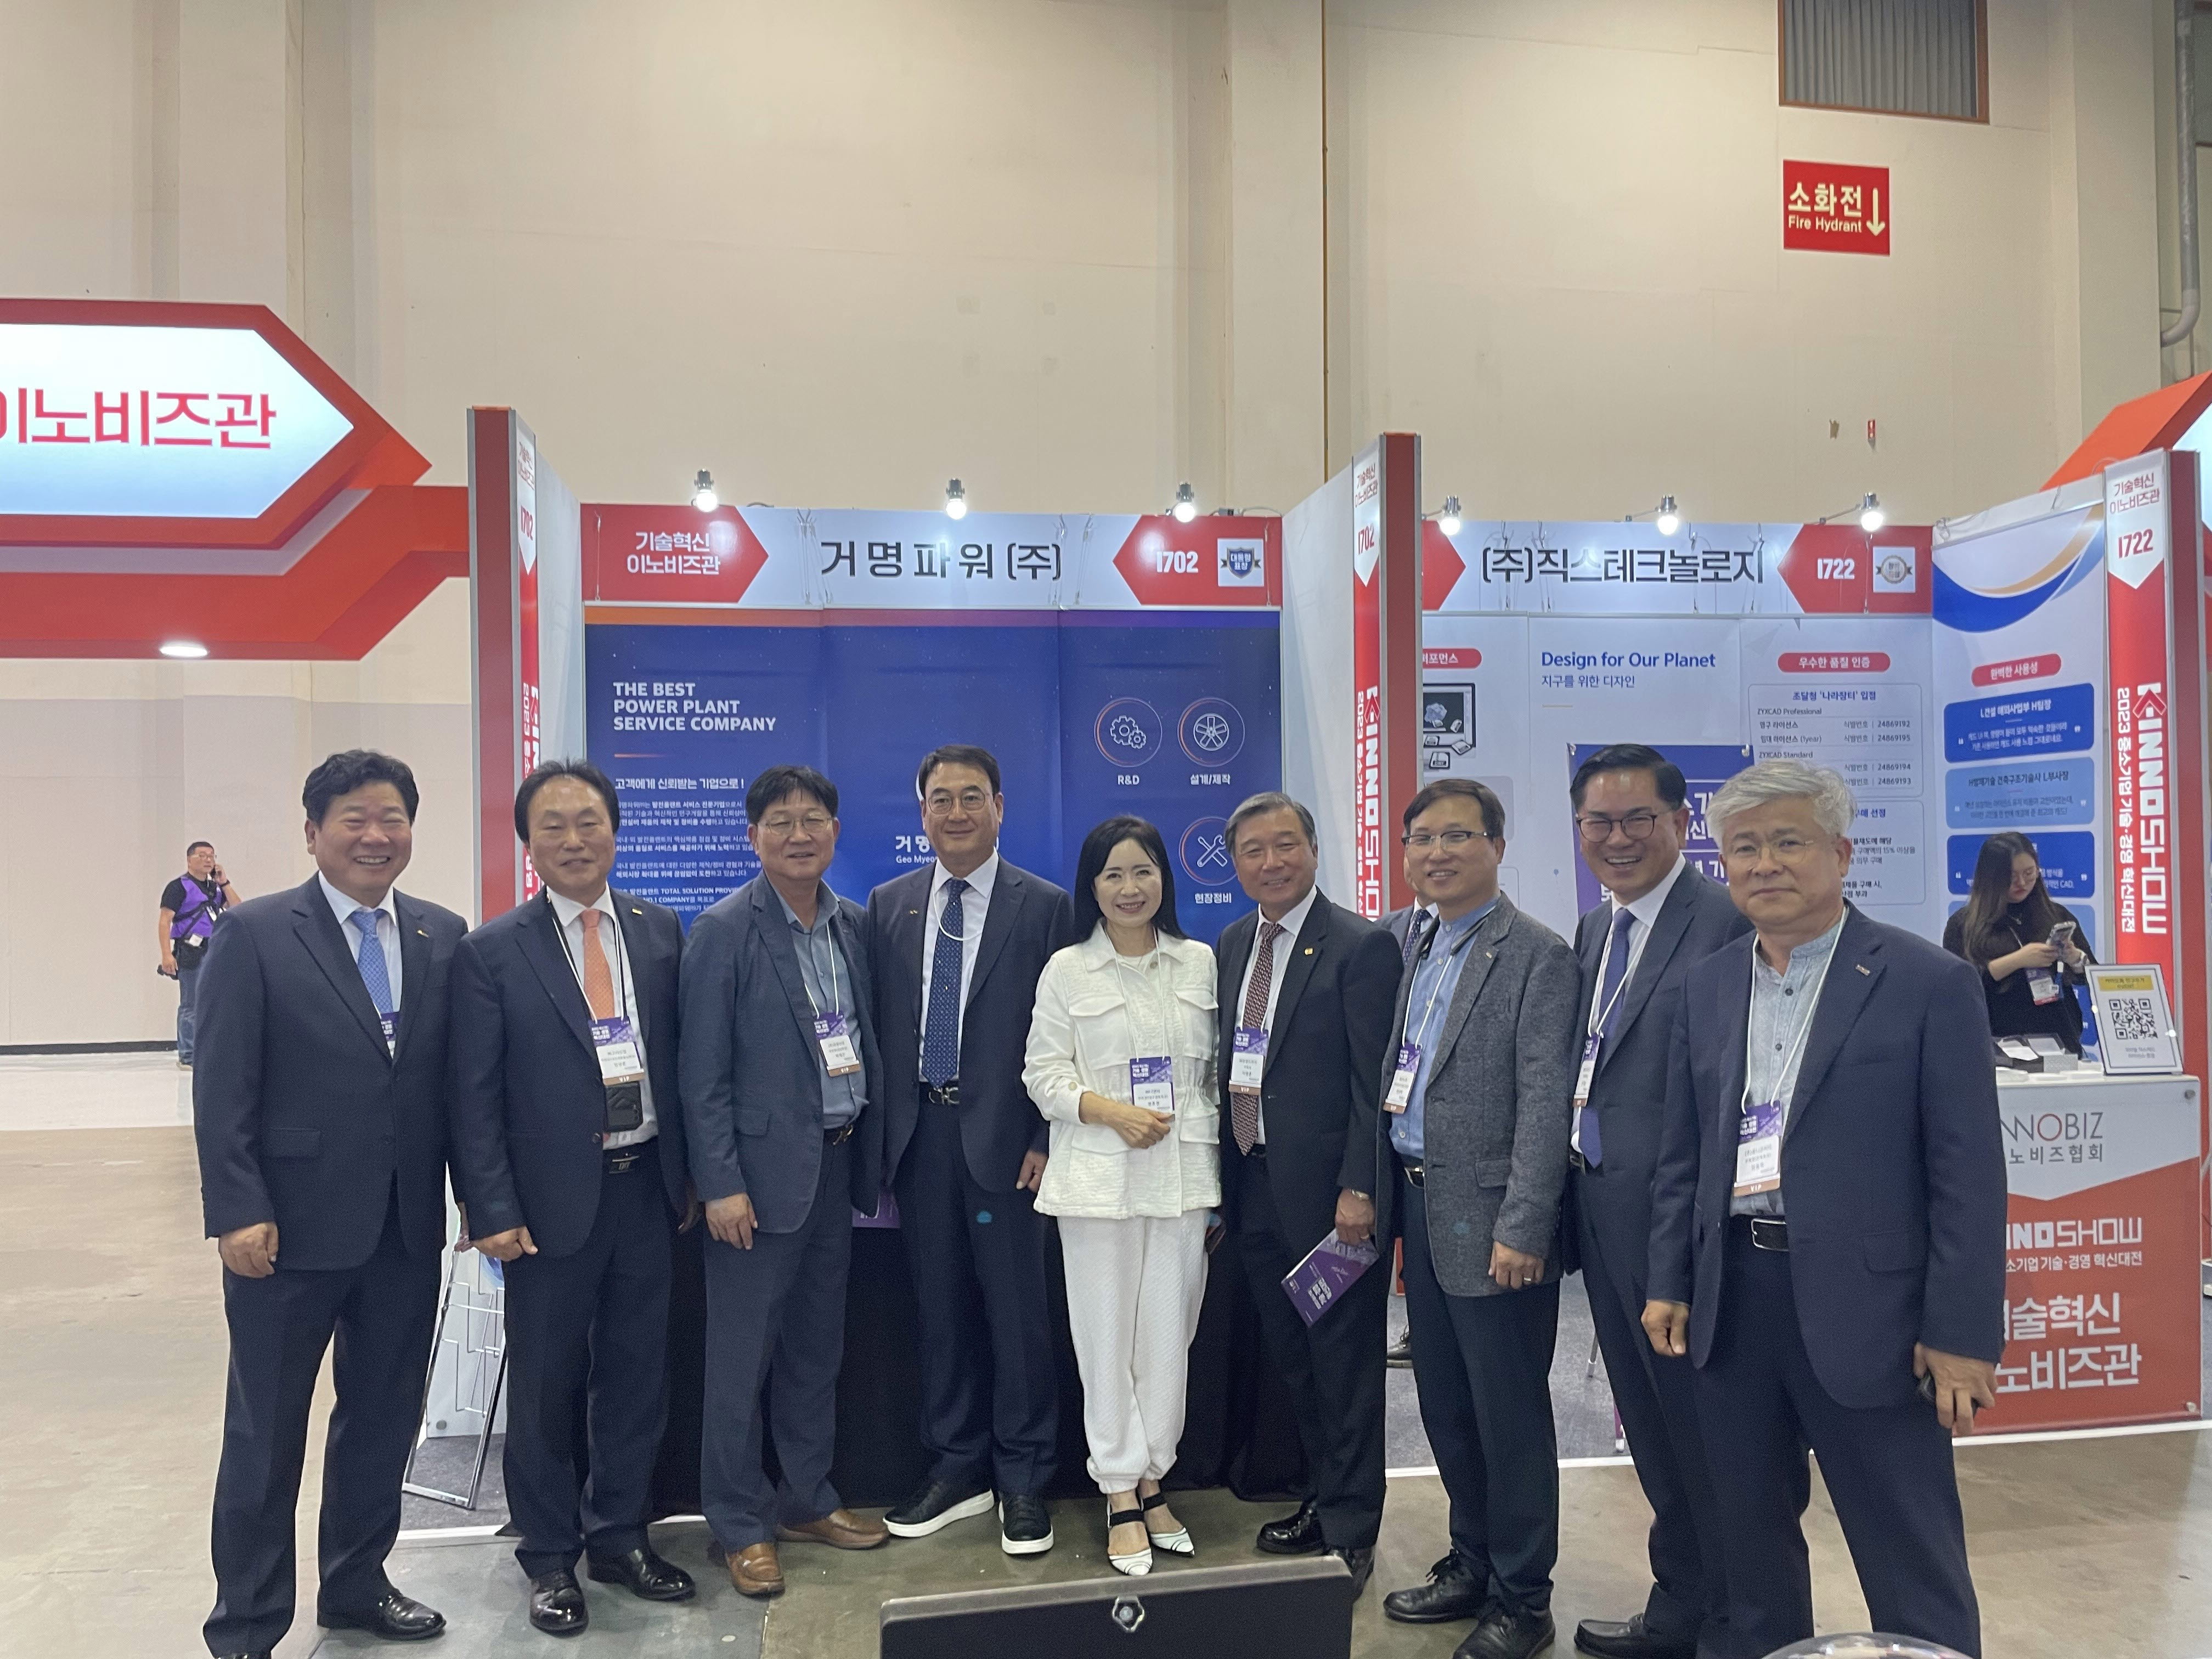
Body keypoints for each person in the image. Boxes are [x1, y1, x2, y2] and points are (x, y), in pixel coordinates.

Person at [1644, 759, 2005, 1659]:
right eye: (1744, 847)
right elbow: (1685, 1152)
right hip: (1733, 1301)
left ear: (1840, 854)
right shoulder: (1707, 984)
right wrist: (1670, 1278)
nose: (1765, 864)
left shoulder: (1926, 981)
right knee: (1749, 1551)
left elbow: (1968, 1173)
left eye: (1788, 842)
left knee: (1908, 1553)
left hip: (1873, 1311)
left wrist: (1961, 1332)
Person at [192, 751, 466, 1659]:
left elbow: (452, 1087)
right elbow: (223, 1085)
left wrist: (477, 1197)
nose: (375, 835)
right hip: (285, 1232)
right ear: (313, 832)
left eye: (392, 817)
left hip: (402, 1227)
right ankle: (246, 1623)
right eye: (354, 818)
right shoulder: (257, 933)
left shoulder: (440, 933)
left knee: (382, 1420)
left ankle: (356, 1584)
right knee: (266, 1434)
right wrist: (237, 1208)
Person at [449, 760, 697, 1635]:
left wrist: (692, 1178)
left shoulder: (659, 930)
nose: (573, 839)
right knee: (547, 1386)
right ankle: (550, 1555)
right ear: (529, 843)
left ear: (615, 832)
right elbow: (472, 1095)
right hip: (546, 1207)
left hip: (646, 1189)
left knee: (636, 1377)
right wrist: (490, 1207)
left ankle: (620, 1535)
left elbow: (683, 1063)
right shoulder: (492, 950)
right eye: (552, 825)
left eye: (589, 821)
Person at [1376, 778, 1578, 1659]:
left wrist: (1525, 1226)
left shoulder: (1536, 955)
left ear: (1497, 845)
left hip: (1494, 1219)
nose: (1438, 853)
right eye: (1422, 838)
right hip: (1420, 1203)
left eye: (1458, 836)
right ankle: (1472, 1560)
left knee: (1509, 1415)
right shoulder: (1406, 940)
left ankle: (1523, 1599)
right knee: (1447, 1404)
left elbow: (1545, 1104)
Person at [679, 764, 889, 1599]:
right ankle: (738, 1523)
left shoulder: (854, 926)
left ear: (835, 831)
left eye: (812, 820)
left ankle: (806, 1498)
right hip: (755, 1186)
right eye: (780, 822)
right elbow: (702, 1075)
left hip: (834, 1166)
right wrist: (720, 1183)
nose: (798, 835)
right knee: (740, 1362)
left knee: (814, 1349)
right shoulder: (724, 931)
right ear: (753, 836)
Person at [1561, 745, 1752, 1659]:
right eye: (1598, 821)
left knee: (1706, 1436)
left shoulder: (1726, 922)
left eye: (1637, 818)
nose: (1617, 837)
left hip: (1682, 1228)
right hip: (1603, 1212)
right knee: (1654, 1430)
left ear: (1682, 821)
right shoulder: (1597, 928)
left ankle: (1729, 1621)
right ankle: (1680, 1605)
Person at [867, 745, 1071, 1555]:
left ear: (999, 808)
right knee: (940, 1310)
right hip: (921, 1138)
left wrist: (1047, 1136)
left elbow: (1071, 1035)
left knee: (1019, 1319)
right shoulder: (889, 904)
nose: (956, 812)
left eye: (972, 797)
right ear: (922, 813)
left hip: (1011, 1146)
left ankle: (1024, 1476)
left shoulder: (1046, 906)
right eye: (941, 799)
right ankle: (957, 1466)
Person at [1022, 815, 1220, 1577]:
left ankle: (1153, 1478)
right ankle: (1117, 1490)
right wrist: (1111, 1112)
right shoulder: (1067, 970)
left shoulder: (1199, 963)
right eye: (1114, 875)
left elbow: (1214, 1077)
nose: (1130, 888)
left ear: (1164, 878)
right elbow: (1043, 1075)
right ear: (1092, 887)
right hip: (1098, 1183)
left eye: (1143, 871)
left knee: (1169, 1338)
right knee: (1105, 1340)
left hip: (1183, 1182)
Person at [1215, 792, 1401, 1596]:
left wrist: (1360, 1186)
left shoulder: (1360, 946)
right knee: (1296, 1362)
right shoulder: (1233, 944)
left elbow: (1372, 1085)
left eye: (1285, 845)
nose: (1272, 862)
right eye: (1254, 850)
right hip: (1253, 1184)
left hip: (1332, 1202)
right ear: (1235, 863)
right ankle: (1322, 1501)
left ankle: (1354, 1530)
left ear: (1315, 850)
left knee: (1346, 1368)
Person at [1942, 830, 2094, 1051]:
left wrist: (2075, 959)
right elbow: (1959, 988)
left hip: (2060, 1042)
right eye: (2011, 877)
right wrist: (2018, 960)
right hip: (1997, 1045)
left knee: (2061, 1074)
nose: (2022, 883)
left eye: (2029, 873)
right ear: (1991, 878)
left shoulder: (2056, 915)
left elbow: (2092, 976)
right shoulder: (1964, 924)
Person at [1380, 839, 1440, 1370]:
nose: (1431, 858)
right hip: (1386, 1115)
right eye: (1418, 843)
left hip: (1437, 1124)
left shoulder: (1470, 935)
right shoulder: (1384, 932)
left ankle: (1424, 1331)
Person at [160, 840, 240, 1068]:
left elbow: (237, 908)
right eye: (202, 855)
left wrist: (224, 883)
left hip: (214, 949)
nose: (208, 860)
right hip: (190, 951)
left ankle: (210, 1051)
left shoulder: (215, 888)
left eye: (212, 856)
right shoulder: (178, 887)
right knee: (191, 1004)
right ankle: (188, 1055)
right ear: (189, 860)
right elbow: (165, 921)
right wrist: (166, 955)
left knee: (216, 1002)